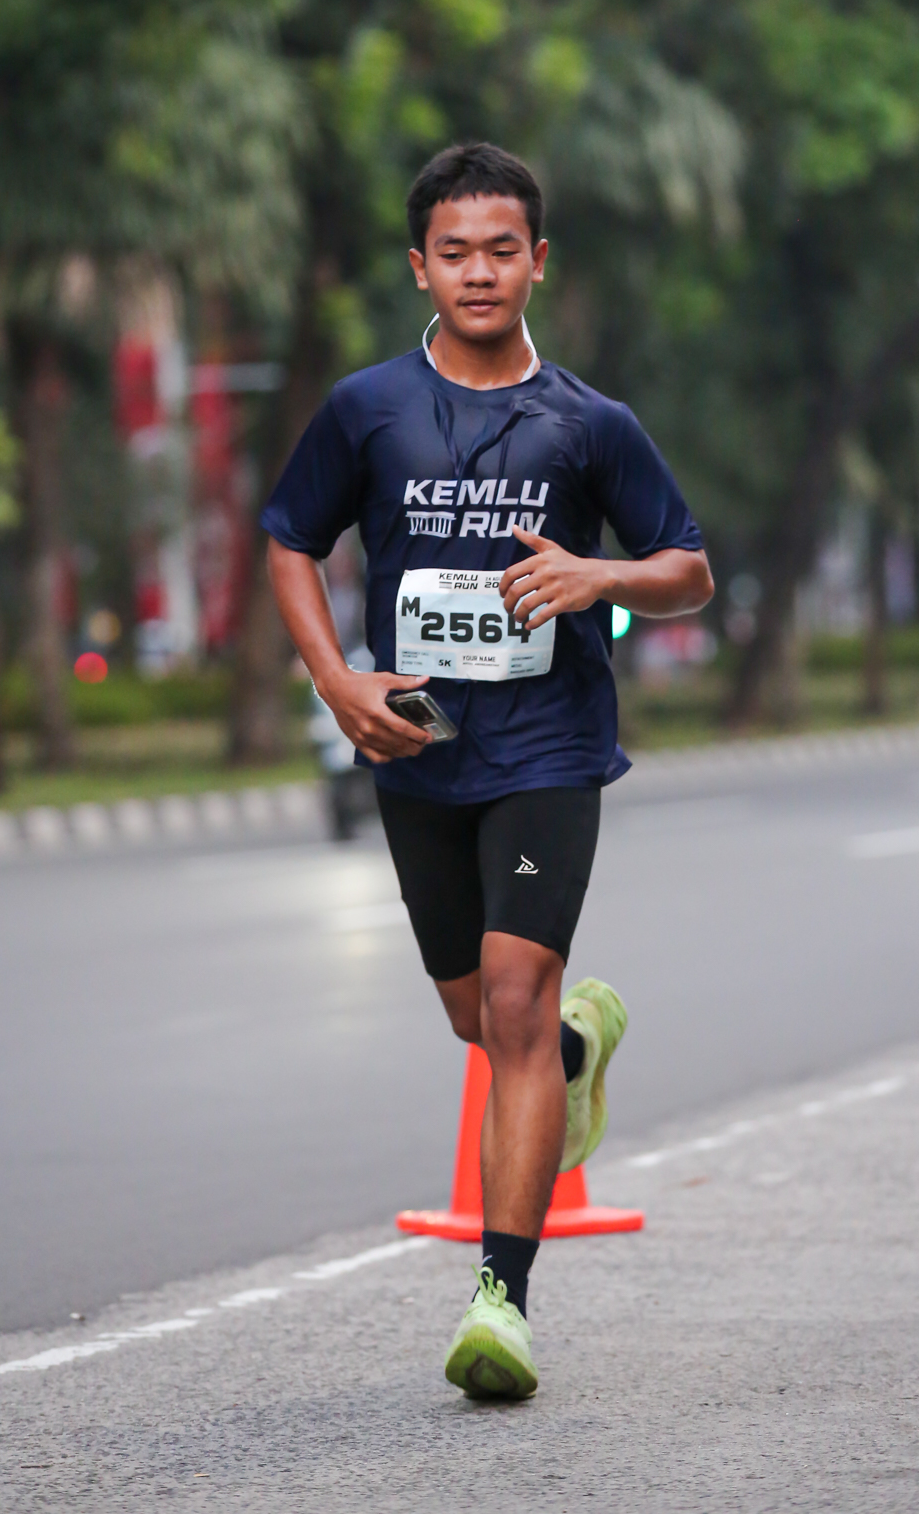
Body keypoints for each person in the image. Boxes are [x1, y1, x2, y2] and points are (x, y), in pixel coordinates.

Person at [262, 141, 713, 1402]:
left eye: (500, 250)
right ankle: (575, 1047)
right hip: (416, 747)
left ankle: (499, 1305)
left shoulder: (586, 422)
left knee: (509, 1004)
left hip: (548, 745)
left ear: (536, 263)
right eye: (453, 251)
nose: (477, 271)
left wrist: (597, 574)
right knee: (480, 1020)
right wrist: (337, 682)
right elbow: (289, 540)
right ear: (419, 266)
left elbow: (686, 567)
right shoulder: (366, 409)